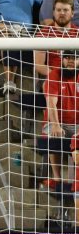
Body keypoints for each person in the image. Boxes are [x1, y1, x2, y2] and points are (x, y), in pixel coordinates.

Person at [43, 52, 79, 183]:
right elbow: (51, 103)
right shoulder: (54, 75)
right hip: (58, 122)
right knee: (54, 136)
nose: (70, 61)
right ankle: (56, 177)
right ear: (62, 59)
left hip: (77, 124)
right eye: (67, 57)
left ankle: (76, 179)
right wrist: (56, 125)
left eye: (75, 58)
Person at [34, 0, 79, 81]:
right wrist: (58, 77)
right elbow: (39, 65)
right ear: (53, 13)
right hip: (52, 79)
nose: (62, 13)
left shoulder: (78, 33)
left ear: (72, 13)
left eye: (65, 10)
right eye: (58, 10)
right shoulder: (43, 33)